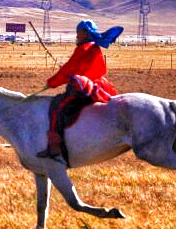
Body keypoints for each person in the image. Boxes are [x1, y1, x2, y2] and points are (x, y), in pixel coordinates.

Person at [36, 19, 123, 163]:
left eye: (78, 32)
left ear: (85, 32)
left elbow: (68, 70)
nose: (76, 35)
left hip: (83, 88)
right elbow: (88, 68)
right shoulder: (94, 47)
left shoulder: (83, 48)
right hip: (98, 85)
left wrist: (51, 83)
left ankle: (54, 147)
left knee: (57, 107)